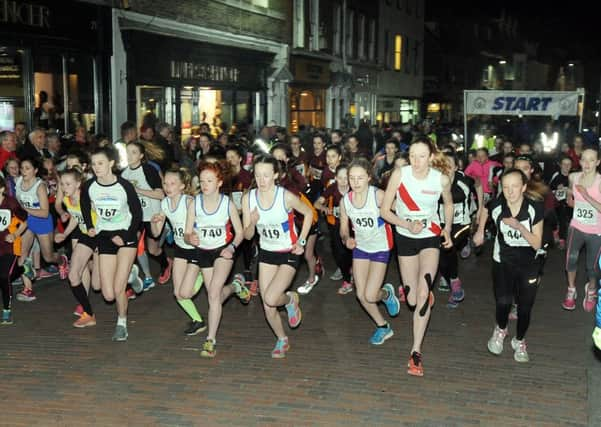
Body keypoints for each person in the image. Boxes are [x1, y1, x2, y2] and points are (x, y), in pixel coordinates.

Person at [381, 137, 454, 377]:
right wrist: (406, 223)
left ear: (431, 156)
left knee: (422, 293)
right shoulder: (400, 174)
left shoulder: (440, 178)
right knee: (412, 300)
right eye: (412, 155)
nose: (416, 161)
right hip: (405, 236)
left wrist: (448, 229)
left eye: (422, 156)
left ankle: (415, 352)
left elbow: (448, 205)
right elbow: (385, 210)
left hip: (430, 238)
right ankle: (412, 295)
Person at [241, 155, 313, 358]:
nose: (262, 180)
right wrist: (252, 223)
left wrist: (302, 241)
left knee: (273, 297)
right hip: (267, 253)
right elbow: (247, 236)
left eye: (266, 175)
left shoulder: (285, 196)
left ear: (275, 175)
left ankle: (290, 299)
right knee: (267, 304)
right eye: (258, 175)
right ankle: (282, 339)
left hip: (289, 252)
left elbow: (308, 213)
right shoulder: (249, 198)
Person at [474, 168, 544, 363]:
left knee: (524, 308)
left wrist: (519, 226)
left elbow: (537, 243)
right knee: (503, 302)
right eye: (506, 187)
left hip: (529, 262)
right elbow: (486, 210)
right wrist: (480, 231)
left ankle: (520, 340)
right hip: (503, 260)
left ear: (523, 187)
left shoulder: (534, 208)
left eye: (514, 187)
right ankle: (501, 329)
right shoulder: (497, 205)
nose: (510, 191)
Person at [184, 161, 250, 358]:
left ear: (219, 182)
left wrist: (231, 248)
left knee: (212, 293)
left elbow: (240, 233)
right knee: (216, 296)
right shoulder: (194, 203)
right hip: (203, 251)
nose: (204, 185)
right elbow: (187, 232)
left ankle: (210, 339)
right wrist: (190, 237)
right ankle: (236, 287)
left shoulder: (227, 204)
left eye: (209, 180)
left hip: (223, 251)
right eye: (202, 181)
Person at [80, 147, 143, 341]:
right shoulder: (90, 186)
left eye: (100, 163)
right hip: (104, 236)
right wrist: (90, 226)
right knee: (107, 294)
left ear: (111, 164)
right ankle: (132, 275)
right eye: (94, 164)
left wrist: (125, 236)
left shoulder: (124, 186)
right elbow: (84, 204)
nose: (96, 167)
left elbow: (137, 214)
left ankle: (121, 323)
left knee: (118, 289)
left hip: (126, 236)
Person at [339, 158, 400, 345]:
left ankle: (386, 294)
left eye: (360, 178)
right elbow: (343, 228)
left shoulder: (378, 196)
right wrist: (346, 238)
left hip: (381, 247)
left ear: (368, 178)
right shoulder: (345, 201)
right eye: (352, 178)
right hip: (360, 249)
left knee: (371, 295)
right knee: (361, 295)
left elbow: (400, 208)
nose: (355, 183)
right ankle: (383, 326)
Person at [151, 168, 206, 336]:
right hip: (181, 250)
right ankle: (199, 321)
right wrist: (155, 222)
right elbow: (155, 233)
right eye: (165, 183)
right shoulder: (165, 203)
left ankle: (204, 272)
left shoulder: (189, 202)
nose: (168, 187)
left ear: (182, 186)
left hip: (197, 250)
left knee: (186, 292)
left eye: (172, 183)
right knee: (178, 293)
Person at [54, 168, 102, 328]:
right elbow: (76, 217)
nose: (64, 187)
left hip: (100, 238)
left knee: (98, 285)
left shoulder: (87, 198)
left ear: (78, 184)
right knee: (73, 275)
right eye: (62, 184)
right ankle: (89, 314)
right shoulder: (68, 200)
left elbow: (104, 217)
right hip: (85, 237)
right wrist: (65, 234)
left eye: (68, 184)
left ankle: (128, 280)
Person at [15, 157, 68, 302]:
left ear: (35, 170)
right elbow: (18, 202)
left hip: (42, 222)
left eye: (27, 168)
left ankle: (61, 261)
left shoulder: (40, 186)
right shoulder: (18, 182)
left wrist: (26, 209)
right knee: (22, 255)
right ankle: (28, 289)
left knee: (48, 257)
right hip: (28, 222)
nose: (24, 171)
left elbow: (45, 212)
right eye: (22, 168)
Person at [121, 142, 171, 290]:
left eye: (134, 152)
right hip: (135, 217)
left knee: (153, 249)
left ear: (141, 155)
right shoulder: (124, 174)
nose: (129, 155)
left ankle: (166, 264)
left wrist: (137, 190)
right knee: (135, 246)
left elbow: (161, 194)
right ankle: (144, 277)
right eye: (128, 152)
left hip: (152, 215)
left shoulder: (148, 170)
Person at [437, 153, 478, 308]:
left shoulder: (463, 181)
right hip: (441, 224)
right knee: (441, 258)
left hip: (461, 225)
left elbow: (477, 185)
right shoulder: (435, 181)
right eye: (443, 165)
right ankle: (451, 281)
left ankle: (454, 282)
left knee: (449, 247)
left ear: (456, 167)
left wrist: (479, 210)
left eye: (449, 165)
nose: (446, 168)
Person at [562, 147, 601, 312]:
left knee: (592, 267)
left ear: (598, 162)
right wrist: (568, 197)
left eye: (591, 160)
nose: (587, 163)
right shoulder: (574, 176)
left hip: (595, 230)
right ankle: (571, 290)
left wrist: (586, 196)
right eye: (584, 159)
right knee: (570, 260)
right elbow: (570, 198)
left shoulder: (600, 181)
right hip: (576, 226)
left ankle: (591, 290)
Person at [314, 164, 352, 294]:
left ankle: (348, 279)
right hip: (335, 225)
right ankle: (346, 272)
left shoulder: (354, 188)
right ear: (335, 178)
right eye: (340, 178)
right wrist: (325, 208)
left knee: (350, 252)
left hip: (352, 226)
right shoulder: (332, 188)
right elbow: (317, 203)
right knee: (338, 253)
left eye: (346, 178)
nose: (343, 181)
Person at [0, 175, 32, 324]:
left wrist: (15, 234)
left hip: (10, 245)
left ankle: (6, 310)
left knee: (3, 277)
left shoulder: (10, 203)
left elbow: (25, 220)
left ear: (1, 189)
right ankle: (23, 268)